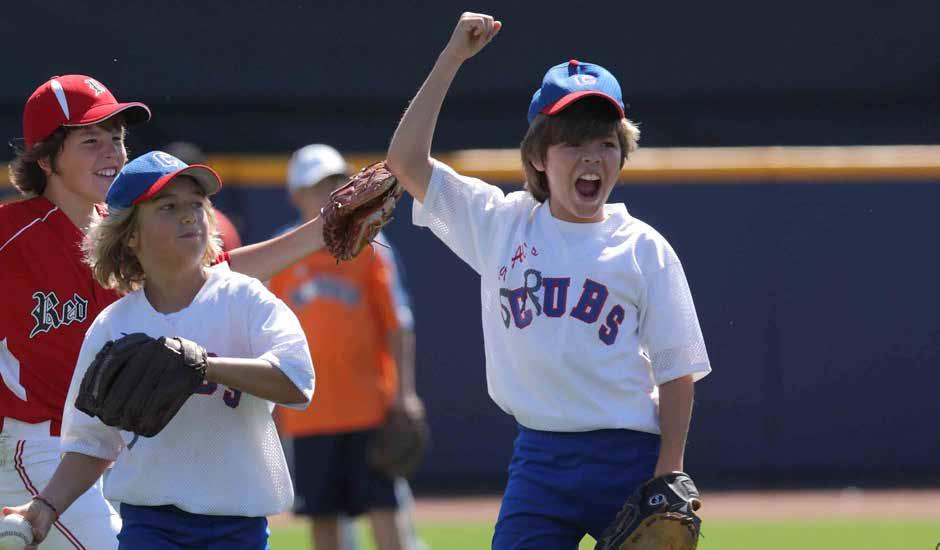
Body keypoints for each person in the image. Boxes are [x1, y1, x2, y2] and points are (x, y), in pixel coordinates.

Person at [385, 13, 712, 549]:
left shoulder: (643, 247)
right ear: (538, 155)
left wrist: (668, 471)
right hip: (539, 460)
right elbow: (404, 161)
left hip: (627, 455)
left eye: (606, 144)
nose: (591, 157)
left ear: (623, 154)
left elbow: (678, 370)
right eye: (572, 144)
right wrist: (452, 59)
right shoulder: (501, 223)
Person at [0, 75, 328, 549]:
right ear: (46, 158)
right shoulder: (12, 235)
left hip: (107, 452)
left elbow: (217, 272)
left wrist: (322, 230)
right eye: (90, 141)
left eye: (116, 139)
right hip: (36, 447)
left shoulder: (130, 236)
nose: (111, 152)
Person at [270, 144, 422, 550]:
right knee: (322, 519)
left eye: (336, 184)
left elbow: (398, 324)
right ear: (296, 195)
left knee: (384, 511)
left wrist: (404, 395)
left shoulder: (371, 247)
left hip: (370, 408)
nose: (328, 195)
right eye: (318, 187)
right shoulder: (277, 256)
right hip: (308, 413)